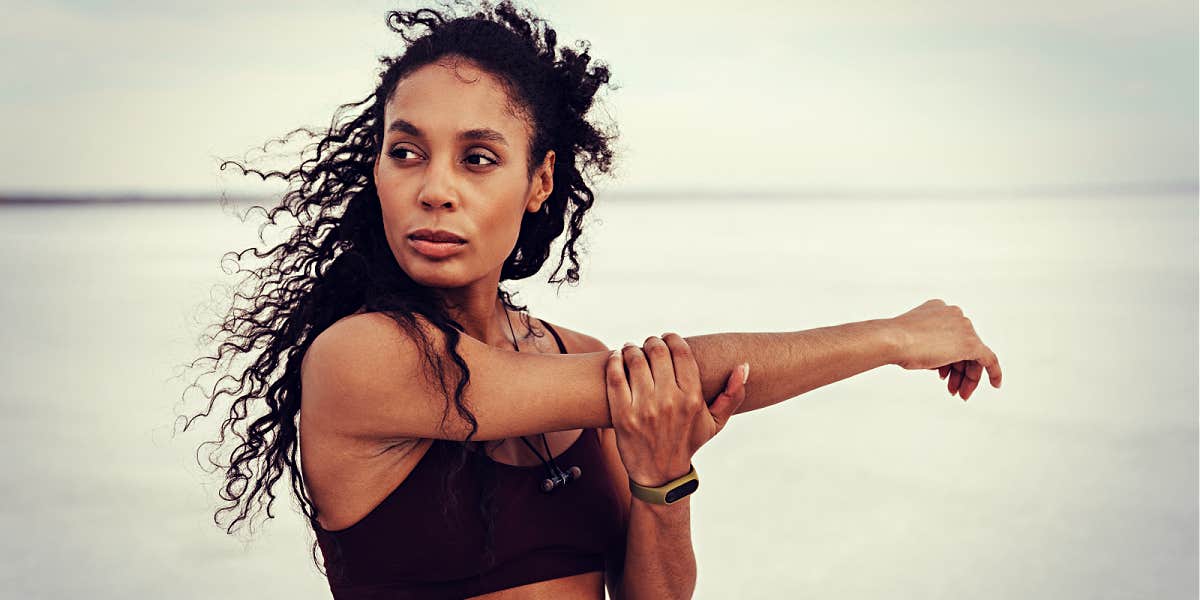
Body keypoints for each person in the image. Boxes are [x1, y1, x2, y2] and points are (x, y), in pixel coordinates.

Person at [184, 2, 1003, 598]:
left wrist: (662, 477)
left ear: (539, 181)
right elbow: (684, 371)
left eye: (477, 158)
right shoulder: (362, 357)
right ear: (379, 172)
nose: (434, 190)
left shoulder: (571, 355)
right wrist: (901, 334)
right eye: (407, 153)